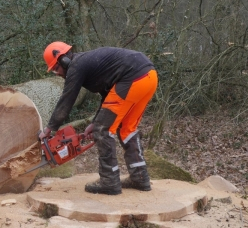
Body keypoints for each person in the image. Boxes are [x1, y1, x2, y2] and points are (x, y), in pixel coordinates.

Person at [39, 41, 158, 195]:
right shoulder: (89, 64)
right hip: (149, 77)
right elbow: (108, 96)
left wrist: (49, 128)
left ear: (64, 60)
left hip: (132, 78)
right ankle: (140, 178)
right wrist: (94, 122)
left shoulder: (76, 66)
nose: (58, 74)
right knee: (126, 129)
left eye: (56, 68)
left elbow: (67, 99)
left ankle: (109, 181)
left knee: (103, 131)